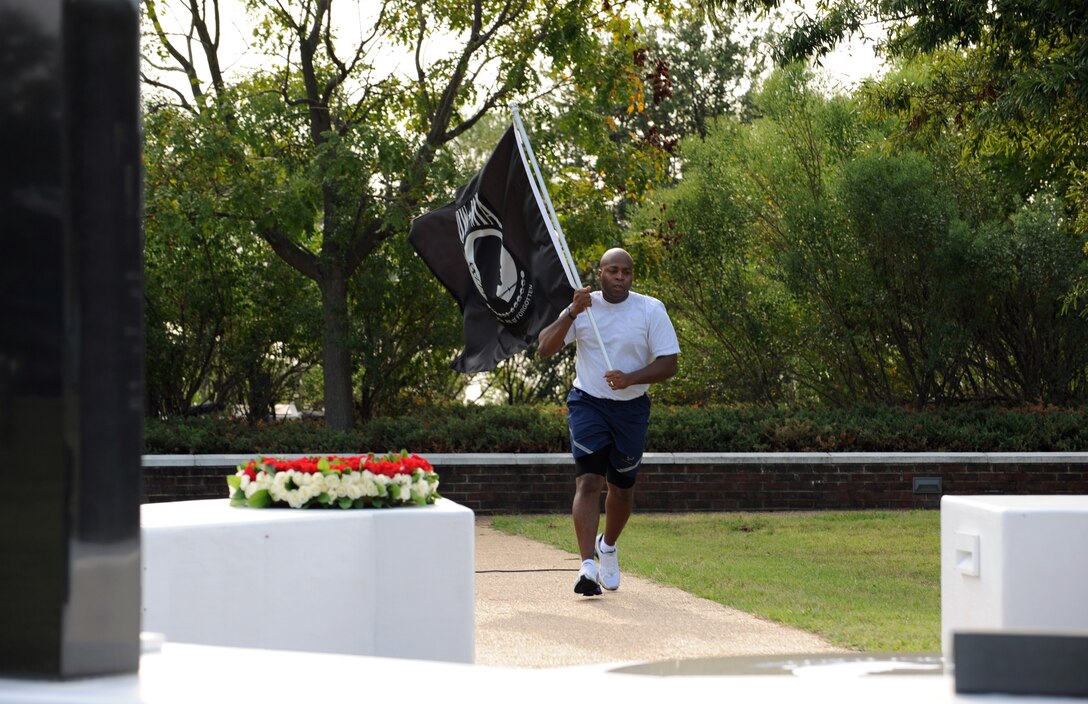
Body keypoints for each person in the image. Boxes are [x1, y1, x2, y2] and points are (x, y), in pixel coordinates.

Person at [537, 247, 679, 596]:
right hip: (588, 403)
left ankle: (608, 547)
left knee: (622, 490)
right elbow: (544, 348)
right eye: (612, 270)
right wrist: (571, 312)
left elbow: (670, 363)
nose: (619, 277)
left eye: (626, 272)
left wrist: (630, 378)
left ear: (632, 276)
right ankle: (586, 566)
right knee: (588, 481)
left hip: (630, 410)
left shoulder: (650, 309)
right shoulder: (583, 307)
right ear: (599, 273)